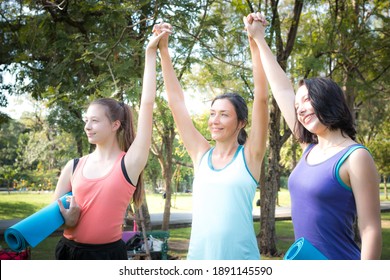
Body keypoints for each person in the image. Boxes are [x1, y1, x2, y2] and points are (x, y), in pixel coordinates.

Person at [244, 12, 382, 259]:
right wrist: (259, 39)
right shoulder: (309, 147)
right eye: (298, 106)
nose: (301, 109)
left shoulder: (355, 156)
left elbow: (370, 228)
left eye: (307, 100)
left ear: (327, 98)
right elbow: (283, 89)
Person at [154, 20, 269, 260]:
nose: (215, 120)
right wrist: (164, 51)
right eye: (212, 113)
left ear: (241, 123)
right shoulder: (201, 155)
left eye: (224, 114)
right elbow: (177, 103)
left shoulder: (250, 155)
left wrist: (254, 42)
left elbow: (261, 99)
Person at [51, 28, 169, 260]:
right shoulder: (73, 166)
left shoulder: (129, 163)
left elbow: (147, 104)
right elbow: (51, 217)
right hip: (68, 252)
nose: (87, 126)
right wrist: (68, 220)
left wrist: (150, 53)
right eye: (86, 120)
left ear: (115, 125)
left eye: (94, 121)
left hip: (108, 256)